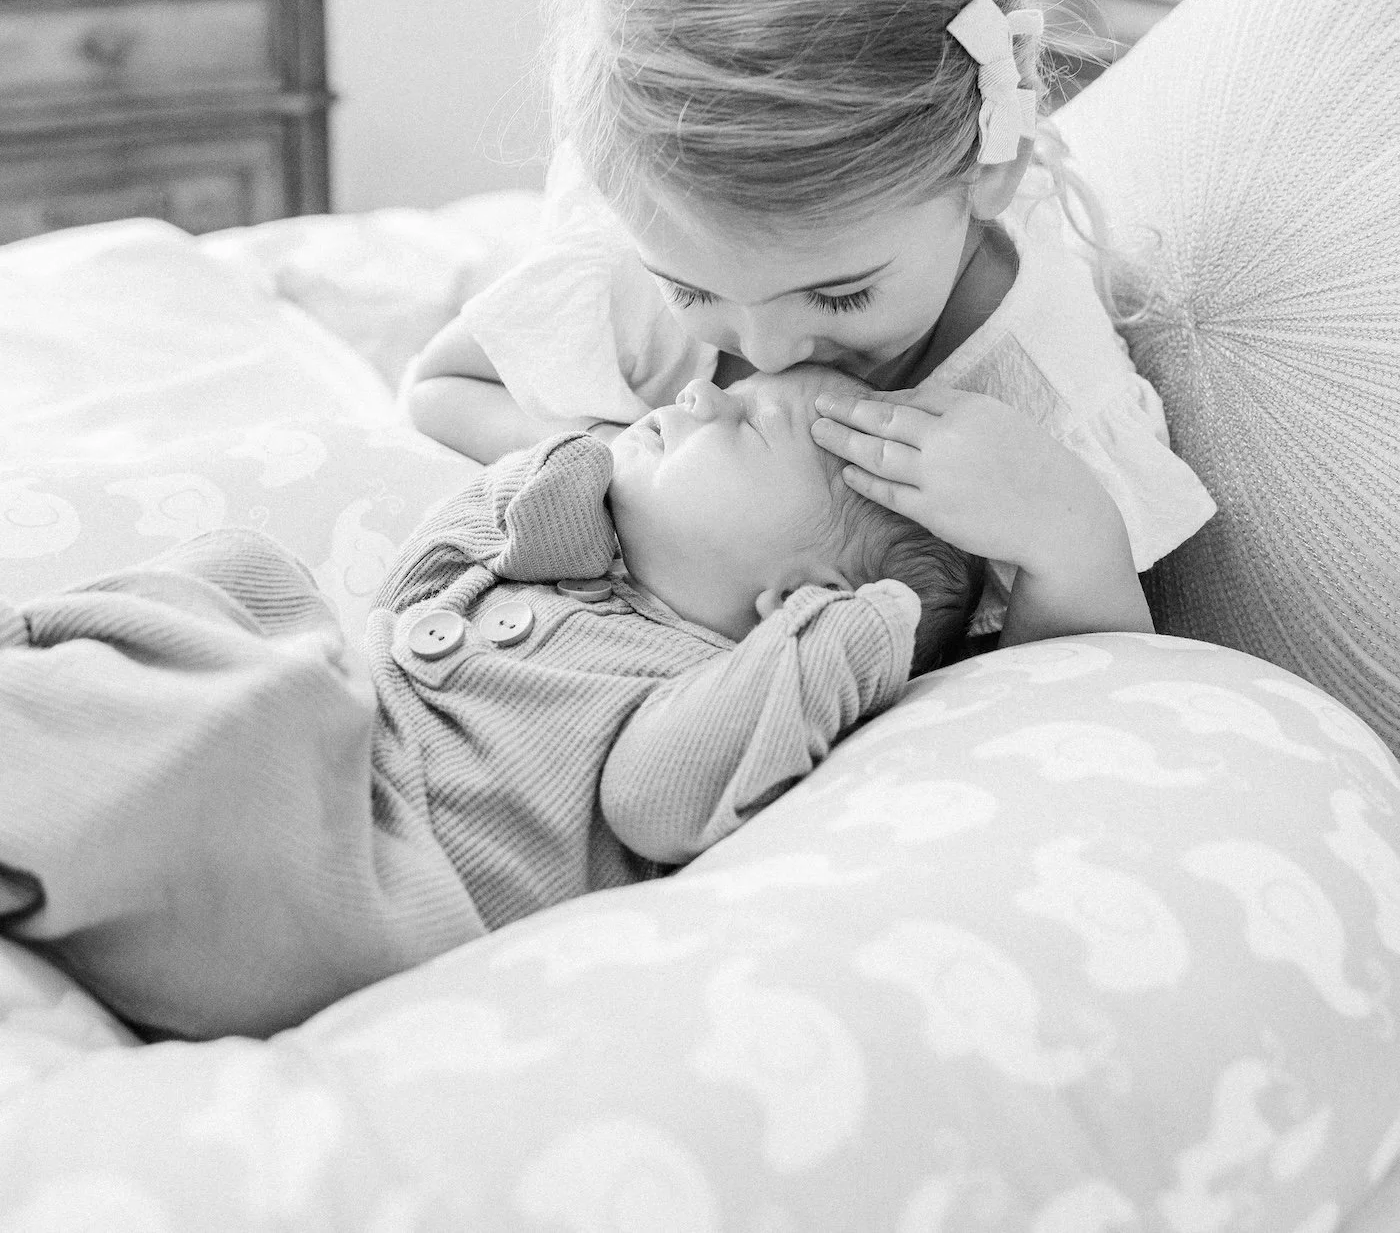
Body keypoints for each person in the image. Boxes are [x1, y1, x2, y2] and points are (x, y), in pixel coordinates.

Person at [0, 357, 1144, 1042]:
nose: (698, 393)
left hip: (369, 884)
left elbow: (656, 803)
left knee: (246, 723)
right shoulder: (564, 564)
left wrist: (841, 636)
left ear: (797, 593)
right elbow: (413, 593)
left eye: (744, 423)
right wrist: (572, 473)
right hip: (335, 752)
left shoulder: (704, 686)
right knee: (244, 577)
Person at [405, 0, 1214, 637]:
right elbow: (438, 386)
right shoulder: (659, 246)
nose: (764, 353)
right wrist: (605, 462)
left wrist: (1071, 539)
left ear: (992, 167)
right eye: (693, 292)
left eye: (838, 296)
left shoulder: (1049, 396)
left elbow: (1088, 670)